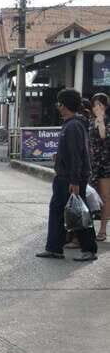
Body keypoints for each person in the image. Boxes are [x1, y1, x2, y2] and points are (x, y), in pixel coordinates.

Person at [36, 88, 98, 261]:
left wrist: (75, 180)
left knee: (79, 211)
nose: (58, 107)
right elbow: (71, 153)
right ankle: (54, 248)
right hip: (65, 177)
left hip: (70, 179)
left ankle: (89, 249)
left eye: (59, 103)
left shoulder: (74, 125)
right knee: (59, 211)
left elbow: (77, 155)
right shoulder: (71, 124)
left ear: (63, 105)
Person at [89, 93, 109, 241]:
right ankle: (86, 230)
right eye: (95, 105)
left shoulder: (106, 122)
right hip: (92, 163)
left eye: (100, 105)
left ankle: (103, 230)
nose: (97, 108)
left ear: (105, 106)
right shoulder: (90, 122)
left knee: (105, 197)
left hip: (105, 164)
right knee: (91, 196)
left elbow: (103, 136)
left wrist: (101, 119)